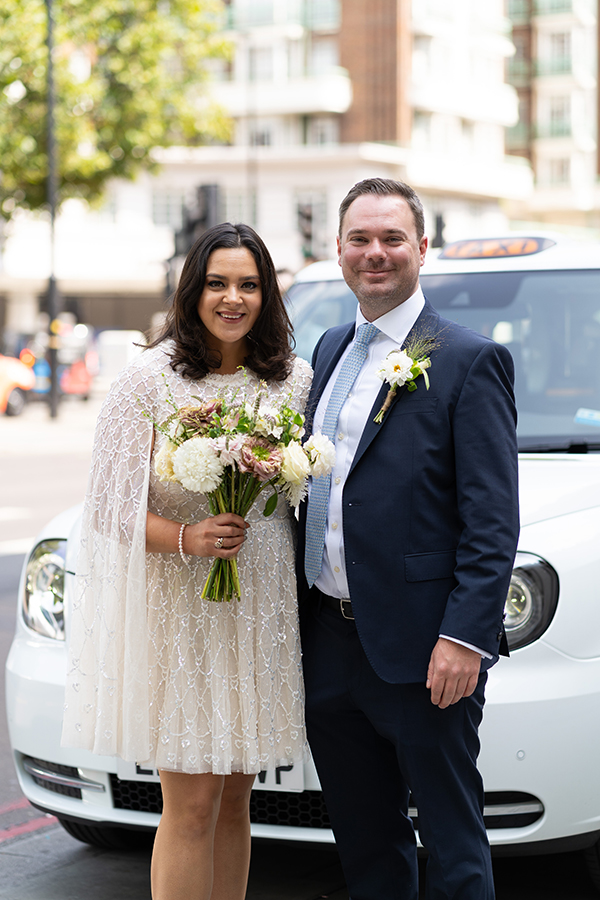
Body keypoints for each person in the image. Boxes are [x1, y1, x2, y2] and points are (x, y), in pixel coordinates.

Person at [61, 222, 312, 900]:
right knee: (193, 805)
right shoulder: (148, 380)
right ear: (192, 290)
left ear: (268, 295)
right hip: (182, 614)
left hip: (258, 608)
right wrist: (187, 538)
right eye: (218, 283)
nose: (233, 298)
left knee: (236, 801)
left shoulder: (291, 382)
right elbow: (108, 508)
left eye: (249, 285)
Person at [297, 178, 519, 900]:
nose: (375, 253)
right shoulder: (330, 349)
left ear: (422, 249)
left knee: (453, 842)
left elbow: (492, 521)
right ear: (338, 250)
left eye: (392, 238)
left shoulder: (467, 359)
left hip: (426, 649)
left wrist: (465, 638)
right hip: (329, 646)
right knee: (366, 843)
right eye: (360, 239)